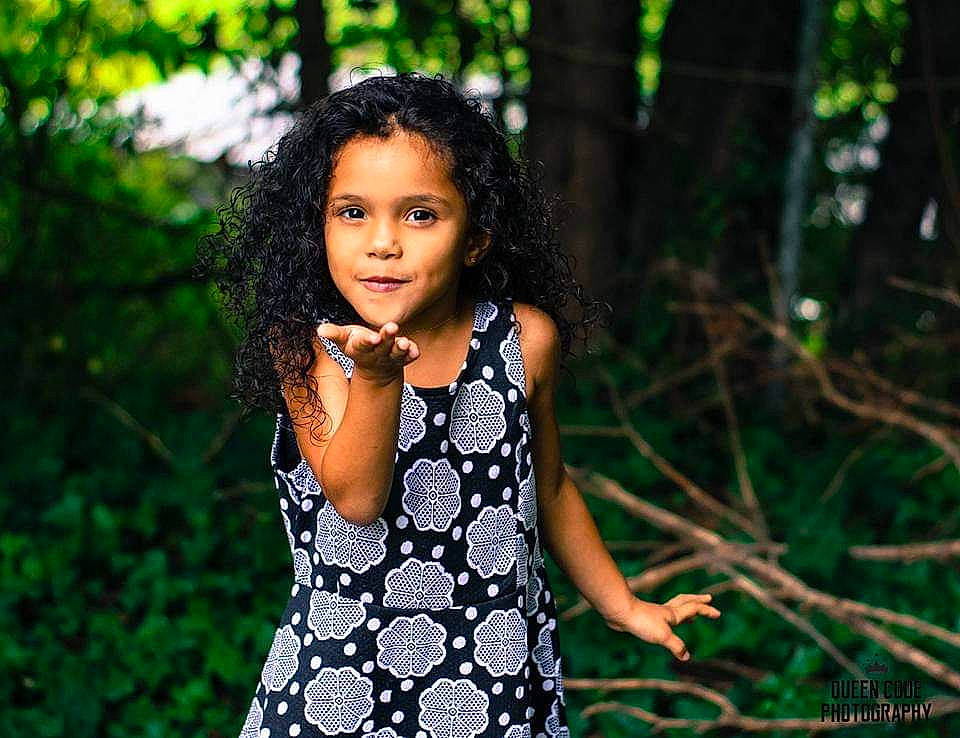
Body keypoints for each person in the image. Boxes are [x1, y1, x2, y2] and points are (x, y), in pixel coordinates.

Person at [197, 71, 721, 738]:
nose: (383, 241)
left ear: (475, 237)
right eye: (352, 212)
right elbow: (356, 500)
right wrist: (378, 382)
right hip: (341, 680)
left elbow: (552, 488)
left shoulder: (523, 341)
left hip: (492, 668)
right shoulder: (308, 347)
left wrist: (623, 606)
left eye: (420, 214)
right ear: (317, 226)